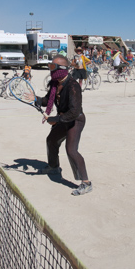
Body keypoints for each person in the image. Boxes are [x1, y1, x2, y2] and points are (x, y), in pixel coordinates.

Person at [26, 54, 92, 196]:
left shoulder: (73, 86)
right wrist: (35, 99)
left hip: (76, 120)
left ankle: (86, 183)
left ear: (62, 69)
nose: (50, 70)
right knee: (51, 140)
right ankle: (54, 167)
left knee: (71, 150)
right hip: (62, 119)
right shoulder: (55, 84)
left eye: (52, 67)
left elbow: (74, 112)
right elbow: (46, 100)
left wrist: (55, 119)